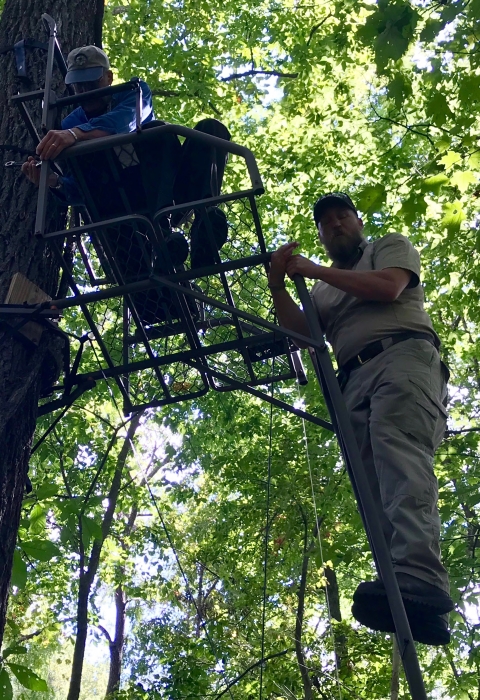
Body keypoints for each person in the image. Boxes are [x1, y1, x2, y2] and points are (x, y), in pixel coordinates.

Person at [269, 192, 453, 646]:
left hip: (402, 357)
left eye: (342, 217)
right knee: (373, 485)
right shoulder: (324, 289)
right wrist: (277, 286)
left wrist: (312, 269)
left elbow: (389, 287)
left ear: (357, 221)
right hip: (353, 381)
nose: (335, 225)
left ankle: (420, 574)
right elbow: (301, 334)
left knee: (397, 453)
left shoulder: (386, 247)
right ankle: (415, 600)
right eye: (326, 223)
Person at [21, 45, 231, 272]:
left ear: (108, 77)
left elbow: (125, 122)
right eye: (78, 84)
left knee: (199, 130)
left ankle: (205, 223)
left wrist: (76, 135)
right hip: (123, 203)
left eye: (91, 81)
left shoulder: (134, 92)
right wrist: (52, 180)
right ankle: (164, 237)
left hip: (166, 192)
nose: (84, 90)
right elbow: (81, 186)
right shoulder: (71, 122)